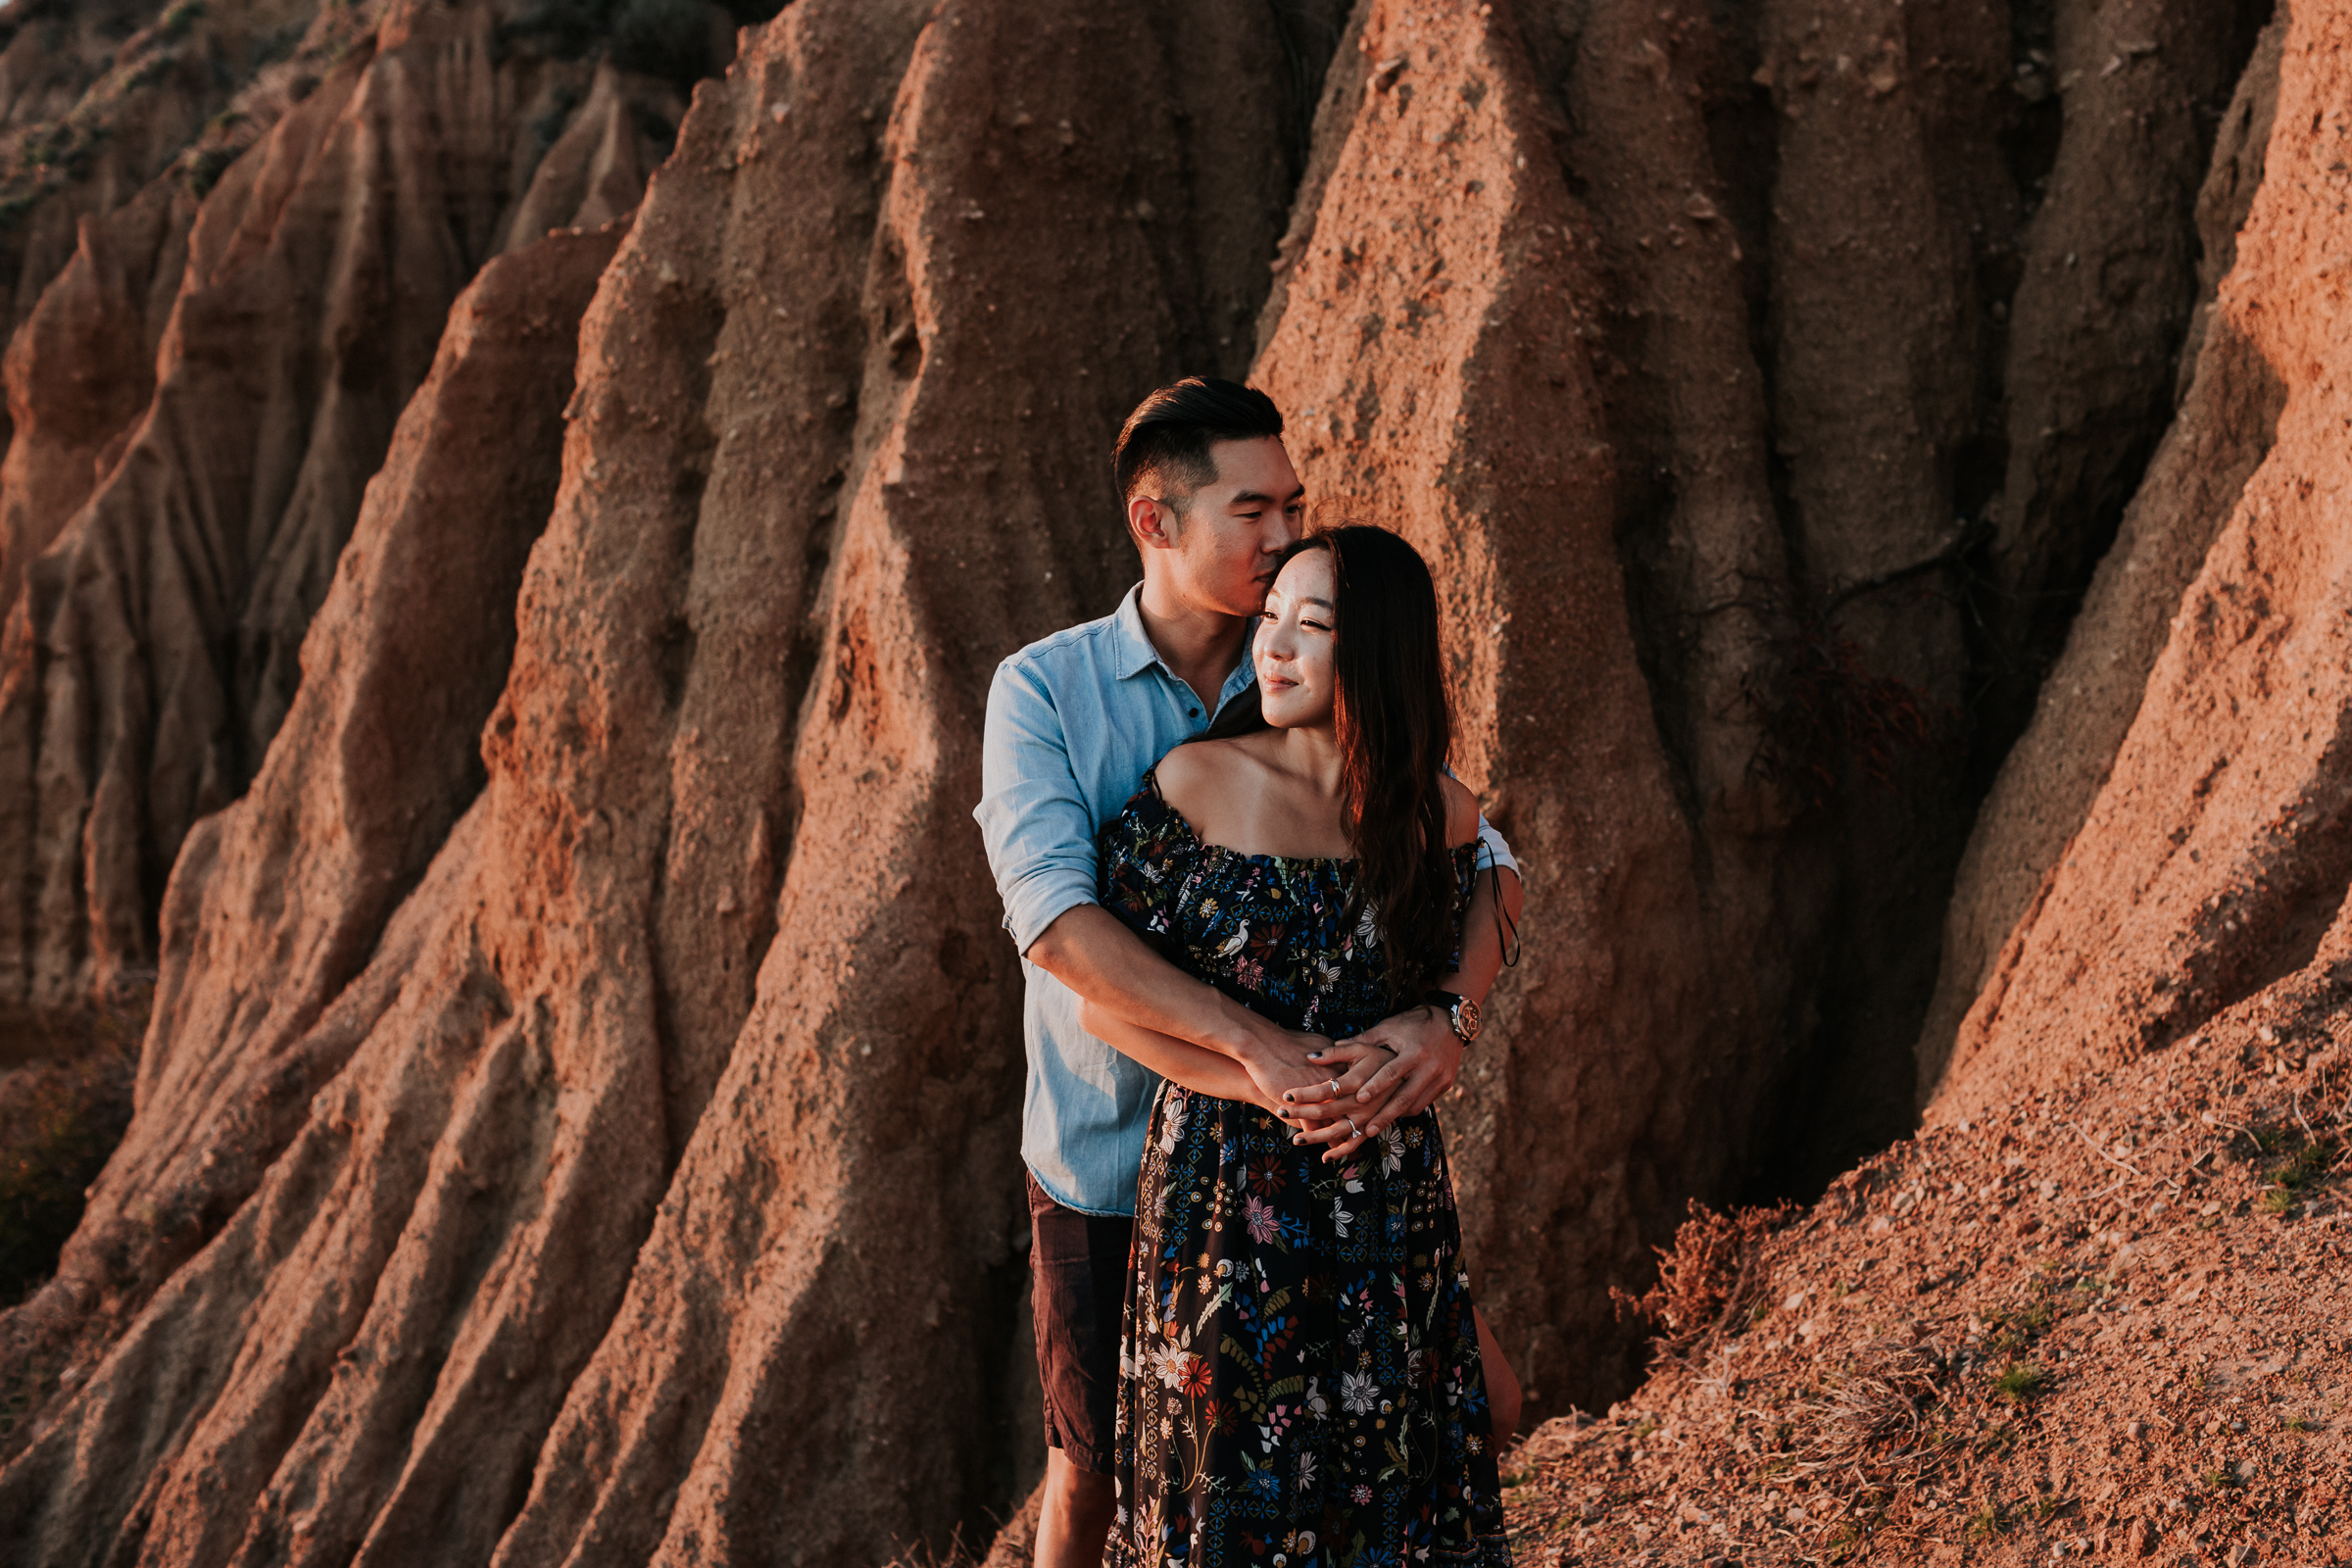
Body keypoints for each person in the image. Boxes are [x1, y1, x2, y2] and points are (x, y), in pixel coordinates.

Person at [973, 379, 1523, 1568]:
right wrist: (1250, 1057)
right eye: (1252, 510)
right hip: (1117, 1152)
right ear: (1156, 523)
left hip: (1338, 1166)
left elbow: (1490, 862)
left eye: (1293, 508)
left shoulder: (1308, 683)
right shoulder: (1047, 690)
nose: (1279, 539)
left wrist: (1448, 1020)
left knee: (1408, 1449)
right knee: (1095, 1464)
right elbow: (1060, 926)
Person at [1083, 525, 1515, 1568]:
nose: (1272, 646)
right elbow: (1106, 1007)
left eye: (1309, 626)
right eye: (1269, 617)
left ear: (1373, 652)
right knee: (1238, 1505)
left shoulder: (1431, 813)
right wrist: (1255, 1076)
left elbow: (1499, 886)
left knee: (1398, 1492)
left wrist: (1449, 1019)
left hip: (1384, 1200)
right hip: (1224, 1198)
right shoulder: (1193, 783)